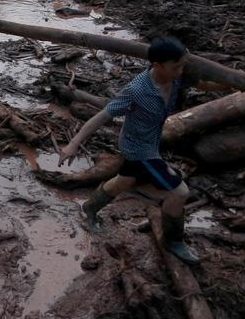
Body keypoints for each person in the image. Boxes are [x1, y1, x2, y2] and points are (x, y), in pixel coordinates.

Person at [58, 37, 223, 264]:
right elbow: (104, 115)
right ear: (157, 65)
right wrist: (74, 143)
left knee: (124, 182)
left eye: (182, 65)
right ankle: (173, 240)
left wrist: (237, 85)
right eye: (176, 67)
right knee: (180, 192)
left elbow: (203, 84)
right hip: (139, 149)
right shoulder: (137, 90)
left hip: (150, 142)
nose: (181, 71)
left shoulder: (175, 77)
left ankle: (90, 207)